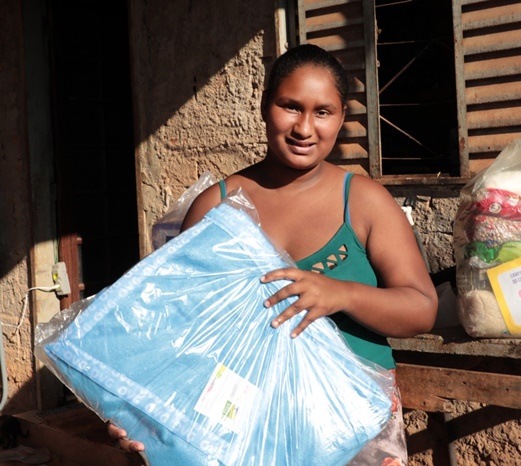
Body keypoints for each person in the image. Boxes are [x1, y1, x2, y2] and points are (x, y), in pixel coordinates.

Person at [109, 43, 438, 465]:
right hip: (245, 419)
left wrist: (341, 294)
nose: (304, 127)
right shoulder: (217, 207)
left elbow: (421, 309)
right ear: (266, 107)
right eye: (290, 107)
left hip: (354, 421)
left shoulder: (363, 202)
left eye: (323, 112)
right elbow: (176, 329)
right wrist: (136, 412)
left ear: (341, 119)